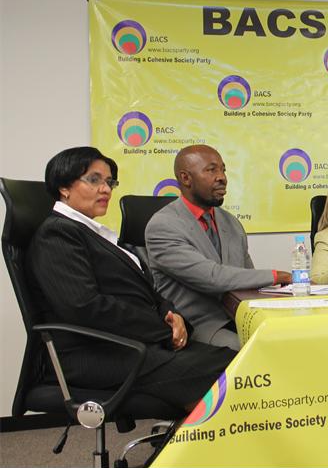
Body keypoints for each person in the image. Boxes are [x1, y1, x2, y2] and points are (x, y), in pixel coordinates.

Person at [26, 147, 235, 413]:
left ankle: (196, 431)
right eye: (94, 180)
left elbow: (145, 290)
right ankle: (196, 435)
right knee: (229, 367)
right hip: (93, 354)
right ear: (64, 187)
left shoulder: (92, 232)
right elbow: (85, 306)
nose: (105, 189)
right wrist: (162, 329)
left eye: (109, 182)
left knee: (235, 360)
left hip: (129, 344)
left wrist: (171, 313)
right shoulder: (57, 234)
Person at [145, 145, 291, 351]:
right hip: (198, 326)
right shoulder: (163, 225)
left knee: (292, 338)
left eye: (223, 170)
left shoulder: (231, 222)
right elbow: (213, 277)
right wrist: (278, 276)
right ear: (185, 178)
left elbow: (247, 277)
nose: (222, 177)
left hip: (241, 317)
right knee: (260, 350)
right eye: (211, 170)